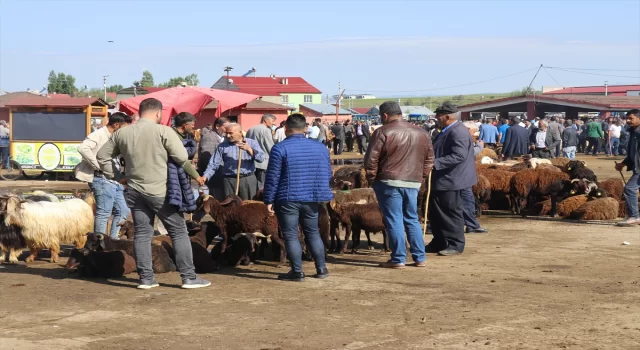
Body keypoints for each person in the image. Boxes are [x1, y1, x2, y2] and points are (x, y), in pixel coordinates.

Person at [97, 98, 210, 290]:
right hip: (161, 192)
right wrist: (196, 176)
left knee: (142, 234)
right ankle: (189, 278)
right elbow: (182, 158)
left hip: (134, 190)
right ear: (158, 113)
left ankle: (146, 279)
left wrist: (117, 176)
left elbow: (101, 156)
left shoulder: (122, 133)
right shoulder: (163, 131)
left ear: (140, 112)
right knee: (179, 231)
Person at [263, 113, 332, 281]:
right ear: (306, 128)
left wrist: (268, 200)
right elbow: (328, 173)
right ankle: (321, 268)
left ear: (285, 128)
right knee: (313, 233)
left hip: (288, 197)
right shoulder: (321, 147)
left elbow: (272, 177)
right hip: (312, 197)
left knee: (291, 235)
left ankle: (297, 271)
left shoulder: (280, 148)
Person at [364, 101, 434, 268]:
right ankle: (419, 257)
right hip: (413, 182)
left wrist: (372, 179)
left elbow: (370, 160)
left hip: (388, 181)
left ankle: (398, 258)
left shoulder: (382, 131)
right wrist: (420, 177)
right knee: (412, 219)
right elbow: (430, 159)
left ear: (385, 115)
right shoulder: (422, 132)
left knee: (394, 219)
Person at [426, 102, 475, 256]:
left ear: (446, 116)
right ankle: (439, 241)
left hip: (451, 180)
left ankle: (455, 244)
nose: (436, 118)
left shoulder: (457, 132)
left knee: (451, 213)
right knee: (437, 213)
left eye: (438, 115)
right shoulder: (448, 130)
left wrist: (435, 163)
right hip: (443, 179)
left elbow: (459, 155)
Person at [77, 112, 132, 240]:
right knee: (104, 213)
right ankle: (98, 245)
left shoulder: (115, 137)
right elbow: (83, 148)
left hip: (114, 180)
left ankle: (113, 241)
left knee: (123, 211)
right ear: (117, 125)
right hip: (101, 179)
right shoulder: (99, 134)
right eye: (125, 127)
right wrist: (98, 165)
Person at [202, 123, 264, 200]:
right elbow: (213, 164)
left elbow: (261, 159)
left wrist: (249, 150)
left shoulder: (252, 143)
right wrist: (206, 176)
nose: (227, 136)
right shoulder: (222, 146)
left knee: (248, 205)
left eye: (230, 133)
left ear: (240, 132)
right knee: (231, 206)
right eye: (226, 133)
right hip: (229, 180)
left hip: (247, 179)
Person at [462, 121, 488, 234]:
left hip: (461, 175)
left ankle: (471, 224)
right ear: (468, 129)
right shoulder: (462, 138)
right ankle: (472, 225)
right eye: (473, 131)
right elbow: (466, 153)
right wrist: (480, 147)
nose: (474, 134)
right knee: (467, 201)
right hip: (462, 176)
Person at [615, 109, 640, 227]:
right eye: (627, 118)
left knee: (630, 189)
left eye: (631, 118)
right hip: (636, 166)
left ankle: (634, 216)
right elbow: (633, 153)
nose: (628, 121)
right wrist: (623, 163)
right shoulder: (633, 132)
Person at [246, 114, 276, 189]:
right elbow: (270, 146)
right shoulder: (266, 130)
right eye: (272, 121)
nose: (273, 123)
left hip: (251, 161)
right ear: (266, 120)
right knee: (261, 185)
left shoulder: (251, 129)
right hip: (262, 162)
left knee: (253, 184)